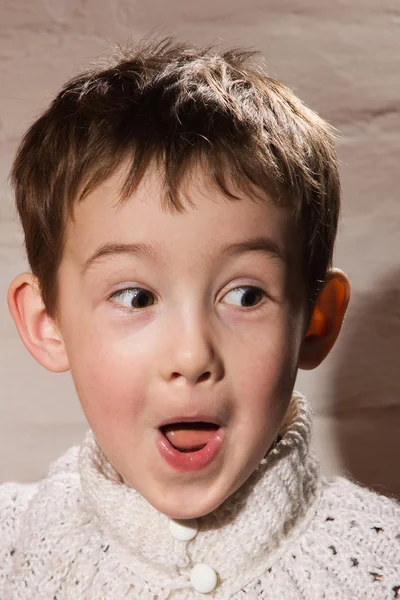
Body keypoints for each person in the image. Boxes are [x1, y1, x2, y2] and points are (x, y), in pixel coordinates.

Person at [0, 36, 398, 599]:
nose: (191, 356)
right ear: (47, 322)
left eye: (245, 296)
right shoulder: (12, 546)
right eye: (136, 298)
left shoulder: (383, 566)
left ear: (316, 319)